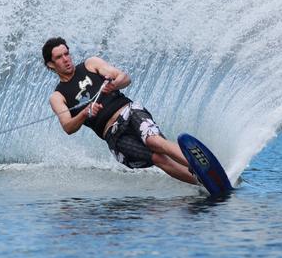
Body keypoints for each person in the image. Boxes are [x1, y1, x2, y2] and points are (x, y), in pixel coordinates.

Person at [42, 37, 197, 184]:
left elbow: (125, 78)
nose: (66, 59)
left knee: (154, 141)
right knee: (158, 159)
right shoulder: (57, 96)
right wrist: (84, 113)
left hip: (129, 112)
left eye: (66, 54)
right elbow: (68, 127)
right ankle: (203, 182)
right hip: (113, 135)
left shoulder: (91, 64)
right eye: (59, 57)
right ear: (51, 64)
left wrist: (115, 84)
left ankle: (197, 165)